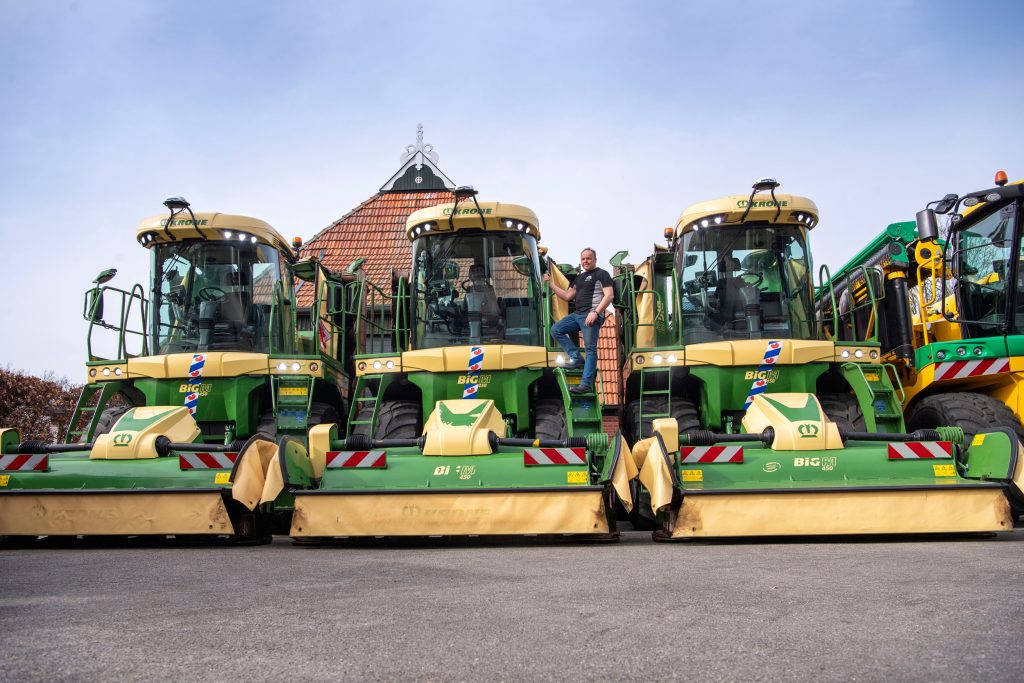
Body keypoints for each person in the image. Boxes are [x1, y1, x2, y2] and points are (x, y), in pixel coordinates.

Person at [544, 248, 614, 394]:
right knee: (556, 330)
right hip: (577, 315)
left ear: (595, 259)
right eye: (583, 259)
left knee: (590, 350)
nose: (585, 261)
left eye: (588, 258)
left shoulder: (602, 274)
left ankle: (586, 384)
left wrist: (595, 312)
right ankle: (576, 358)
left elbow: (609, 295)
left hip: (591, 315)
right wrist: (551, 284)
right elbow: (568, 296)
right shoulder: (579, 278)